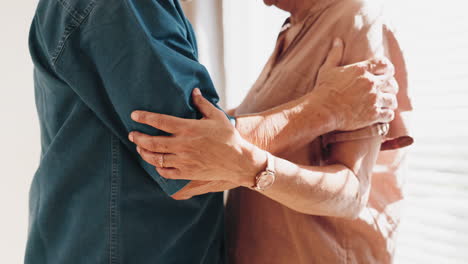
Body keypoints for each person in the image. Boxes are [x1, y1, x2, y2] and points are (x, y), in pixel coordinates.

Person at [27, 0, 398, 263]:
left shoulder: (352, 21)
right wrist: (324, 110)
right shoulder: (128, 7)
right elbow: (186, 152)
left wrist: (251, 160)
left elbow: (351, 190)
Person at [130, 0, 413, 263]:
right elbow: (244, 130)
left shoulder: (355, 20)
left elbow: (351, 193)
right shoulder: (292, 30)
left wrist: (254, 169)